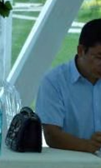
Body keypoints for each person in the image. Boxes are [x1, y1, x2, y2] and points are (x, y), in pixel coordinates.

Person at [36, 18, 101, 154]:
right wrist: (87, 145)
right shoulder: (54, 81)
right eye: (99, 57)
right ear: (81, 50)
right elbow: (51, 135)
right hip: (72, 163)